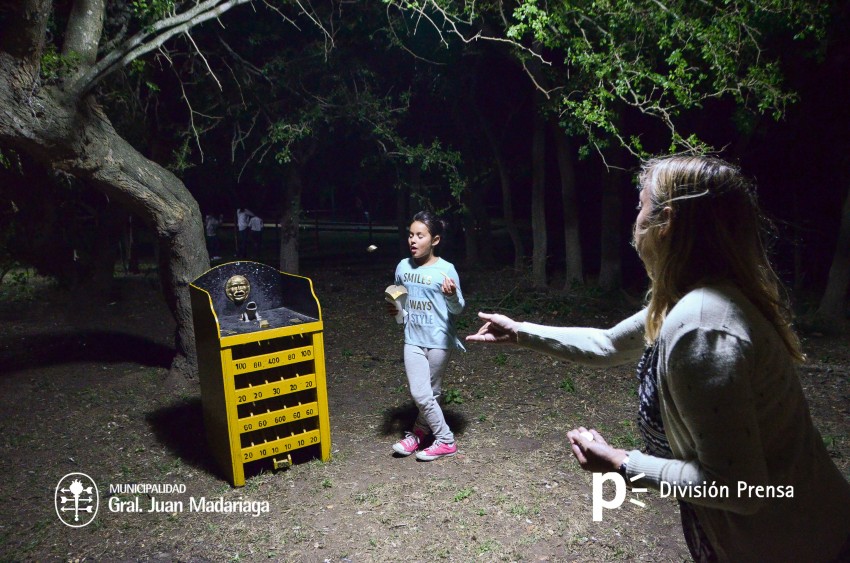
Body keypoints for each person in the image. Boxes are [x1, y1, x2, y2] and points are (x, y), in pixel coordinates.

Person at [466, 155, 850, 561]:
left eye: (641, 206)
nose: (635, 219)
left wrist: (621, 463)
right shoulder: (694, 299)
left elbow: (738, 489)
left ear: (665, 221)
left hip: (801, 544)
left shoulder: (701, 326)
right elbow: (608, 344)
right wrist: (521, 331)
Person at [387, 210, 465, 461]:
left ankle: (426, 435)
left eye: (420, 235)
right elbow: (400, 302)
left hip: (440, 340)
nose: (413, 240)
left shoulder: (446, 270)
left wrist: (451, 295)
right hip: (413, 338)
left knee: (430, 392)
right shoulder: (402, 267)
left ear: (435, 240)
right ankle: (444, 438)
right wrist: (396, 309)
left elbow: (459, 309)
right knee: (422, 394)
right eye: (411, 235)